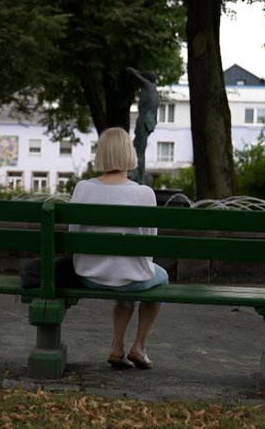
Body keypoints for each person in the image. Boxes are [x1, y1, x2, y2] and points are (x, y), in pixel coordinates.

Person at [69, 127, 169, 370]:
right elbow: (150, 244)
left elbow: (73, 235)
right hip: (131, 278)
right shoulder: (144, 193)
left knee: (125, 275)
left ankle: (117, 348)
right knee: (159, 277)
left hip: (88, 276)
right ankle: (139, 347)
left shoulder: (83, 188)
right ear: (129, 154)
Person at [126, 67, 160, 185]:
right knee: (136, 148)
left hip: (144, 122)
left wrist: (140, 72)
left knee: (139, 152)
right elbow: (156, 116)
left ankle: (139, 178)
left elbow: (131, 71)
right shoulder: (155, 92)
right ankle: (135, 172)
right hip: (149, 123)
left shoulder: (147, 86)